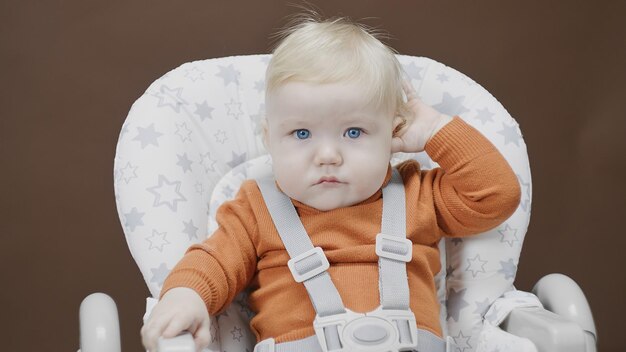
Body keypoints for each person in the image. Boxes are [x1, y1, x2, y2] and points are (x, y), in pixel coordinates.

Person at [141, 14, 521, 352]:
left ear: (394, 134)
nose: (328, 154)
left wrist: (436, 130)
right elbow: (213, 263)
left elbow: (495, 197)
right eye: (301, 133)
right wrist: (185, 296)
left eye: (353, 132)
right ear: (269, 138)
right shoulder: (255, 210)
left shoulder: (416, 195)